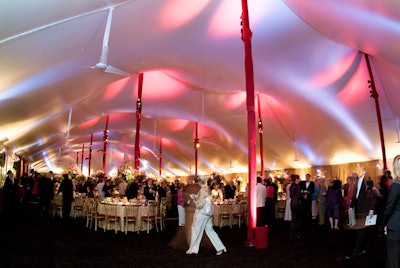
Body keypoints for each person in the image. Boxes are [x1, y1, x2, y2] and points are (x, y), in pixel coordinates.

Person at [186, 176, 227, 255]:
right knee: (210, 231)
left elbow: (200, 205)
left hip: (202, 213)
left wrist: (194, 200)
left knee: (195, 230)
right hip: (209, 214)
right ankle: (220, 247)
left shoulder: (203, 189)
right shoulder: (210, 190)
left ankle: (193, 249)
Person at [345, 170, 375, 260]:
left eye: (354, 177)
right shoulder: (356, 187)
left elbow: (371, 197)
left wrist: (371, 209)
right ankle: (364, 249)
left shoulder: (363, 185)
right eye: (352, 177)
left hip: (365, 213)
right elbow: (355, 198)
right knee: (363, 233)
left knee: (361, 233)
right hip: (359, 213)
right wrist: (351, 206)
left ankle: (356, 252)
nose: (353, 179)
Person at [383, 155, 400, 268]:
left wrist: (384, 222)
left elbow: (389, 208)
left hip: (396, 227)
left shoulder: (396, 186)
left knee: (393, 261)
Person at [290, 174, 302, 241]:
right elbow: (299, 195)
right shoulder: (297, 186)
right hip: (297, 204)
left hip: (293, 204)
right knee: (297, 220)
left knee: (293, 220)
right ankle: (296, 234)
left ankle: (292, 234)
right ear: (296, 179)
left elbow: (292, 195)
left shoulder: (291, 186)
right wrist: (303, 195)